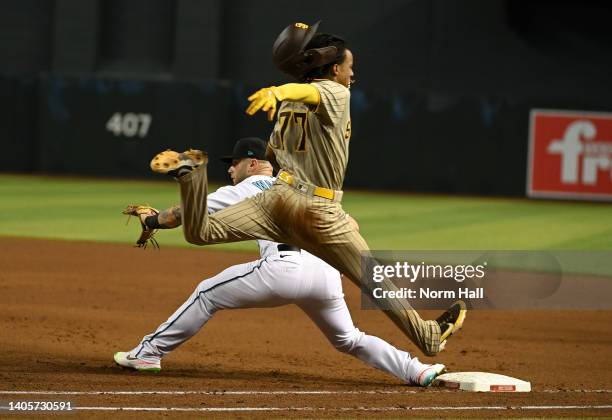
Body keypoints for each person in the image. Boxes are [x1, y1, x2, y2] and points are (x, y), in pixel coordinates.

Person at [144, 21, 465, 357]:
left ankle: (192, 178)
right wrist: (278, 90)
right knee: (375, 282)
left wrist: (280, 99)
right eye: (349, 67)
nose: (352, 74)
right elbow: (311, 92)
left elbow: (273, 151)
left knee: (200, 233)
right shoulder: (336, 93)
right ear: (335, 68)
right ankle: (427, 337)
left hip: (277, 200)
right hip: (318, 210)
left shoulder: (290, 107)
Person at [115, 137, 446, 386]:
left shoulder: (249, 186)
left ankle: (148, 353)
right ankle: (416, 370)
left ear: (253, 163)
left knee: (206, 293)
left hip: (283, 270)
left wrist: (154, 220)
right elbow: (350, 227)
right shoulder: (299, 187)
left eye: (234, 162)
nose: (230, 169)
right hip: (327, 275)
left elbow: (185, 214)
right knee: (348, 338)